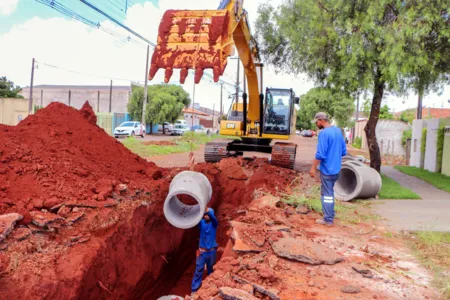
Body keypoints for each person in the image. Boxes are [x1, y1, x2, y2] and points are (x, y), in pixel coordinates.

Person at [309, 112, 346, 226]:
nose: (316, 124)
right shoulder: (338, 131)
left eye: (317, 122)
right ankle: (329, 213)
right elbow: (343, 151)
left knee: (327, 195)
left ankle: (328, 219)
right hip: (336, 169)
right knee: (328, 192)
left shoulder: (324, 134)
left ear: (321, 120)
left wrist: (313, 168)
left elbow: (320, 154)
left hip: (327, 170)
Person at [191, 207, 219, 294]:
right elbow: (196, 219)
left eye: (208, 215)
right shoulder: (202, 223)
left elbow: (214, 219)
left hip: (211, 252)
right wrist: (200, 211)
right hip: (202, 252)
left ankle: (210, 288)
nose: (206, 216)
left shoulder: (214, 224)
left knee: (211, 269)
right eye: (205, 215)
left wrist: (208, 212)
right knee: (199, 270)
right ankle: (194, 289)